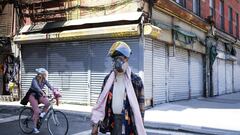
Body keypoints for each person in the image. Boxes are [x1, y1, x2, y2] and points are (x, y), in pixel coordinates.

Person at [91, 41, 146, 135]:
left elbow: (140, 108)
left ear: (126, 59)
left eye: (119, 58)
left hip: (129, 121)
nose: (117, 62)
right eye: (114, 59)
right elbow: (100, 103)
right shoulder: (108, 79)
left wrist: (139, 126)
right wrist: (95, 125)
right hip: (113, 120)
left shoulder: (136, 81)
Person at [21, 68, 54, 134]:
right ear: (41, 74)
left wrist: (55, 91)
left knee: (48, 103)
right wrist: (43, 93)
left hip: (39, 95)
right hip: (32, 96)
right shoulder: (34, 80)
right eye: (44, 74)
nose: (45, 76)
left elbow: (49, 86)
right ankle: (34, 128)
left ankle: (41, 115)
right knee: (37, 111)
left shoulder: (44, 80)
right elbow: (37, 88)